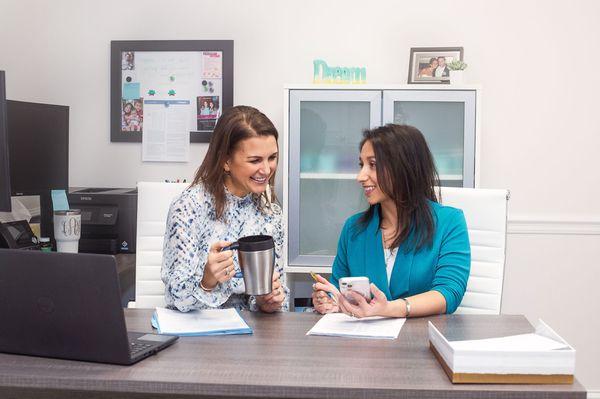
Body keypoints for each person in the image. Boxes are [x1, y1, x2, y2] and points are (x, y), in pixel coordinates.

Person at [311, 124, 470, 318]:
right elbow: (338, 289)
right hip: (365, 344)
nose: (360, 176)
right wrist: (329, 300)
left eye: (373, 165)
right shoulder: (353, 230)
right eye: (362, 165)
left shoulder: (449, 222)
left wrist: (389, 309)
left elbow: (448, 293)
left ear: (404, 167)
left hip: (422, 341)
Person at [162, 105, 288, 313]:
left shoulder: (271, 213)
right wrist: (207, 281)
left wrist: (267, 301)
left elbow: (276, 289)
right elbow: (176, 296)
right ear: (226, 161)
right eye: (255, 160)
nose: (266, 170)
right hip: (195, 332)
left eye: (272, 158)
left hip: (249, 334)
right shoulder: (188, 207)